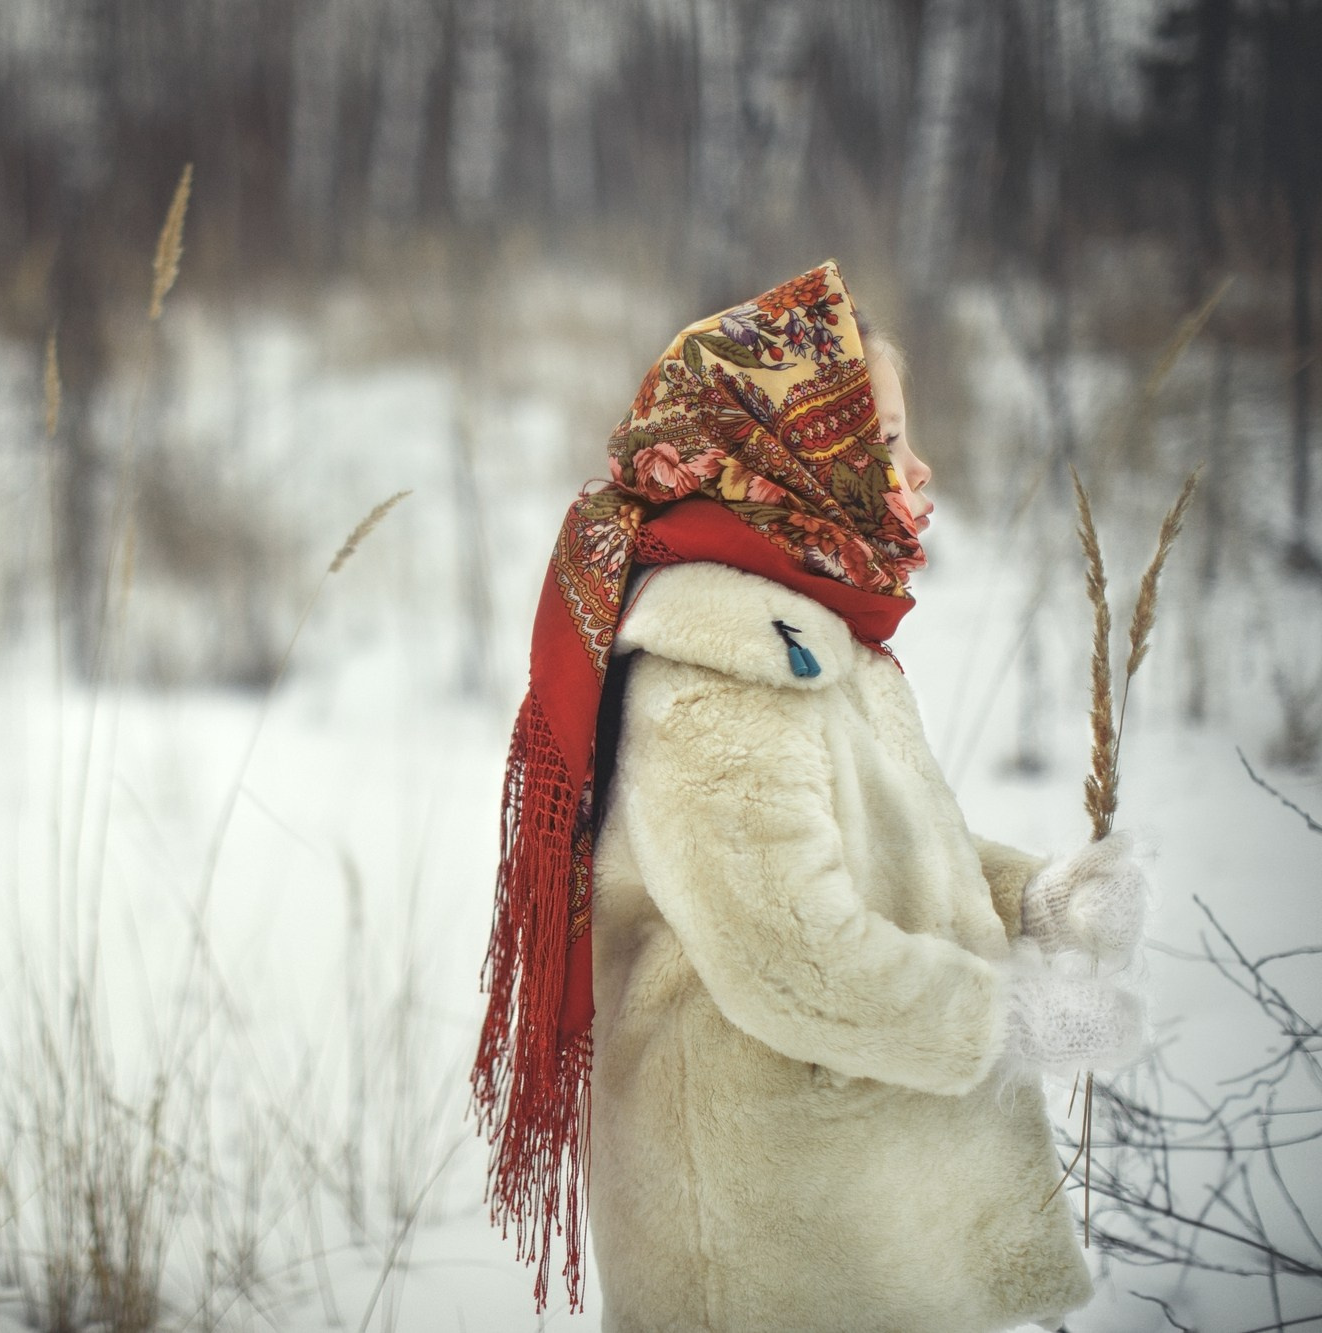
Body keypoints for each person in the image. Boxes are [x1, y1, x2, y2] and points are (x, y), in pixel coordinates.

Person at [471, 261, 1155, 1332]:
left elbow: (880, 839)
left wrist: (1034, 901)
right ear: (790, 453)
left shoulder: (807, 626)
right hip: (769, 1245)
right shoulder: (718, 668)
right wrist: (1006, 1017)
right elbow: (792, 959)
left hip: (852, 1206)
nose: (917, 467)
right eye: (883, 437)